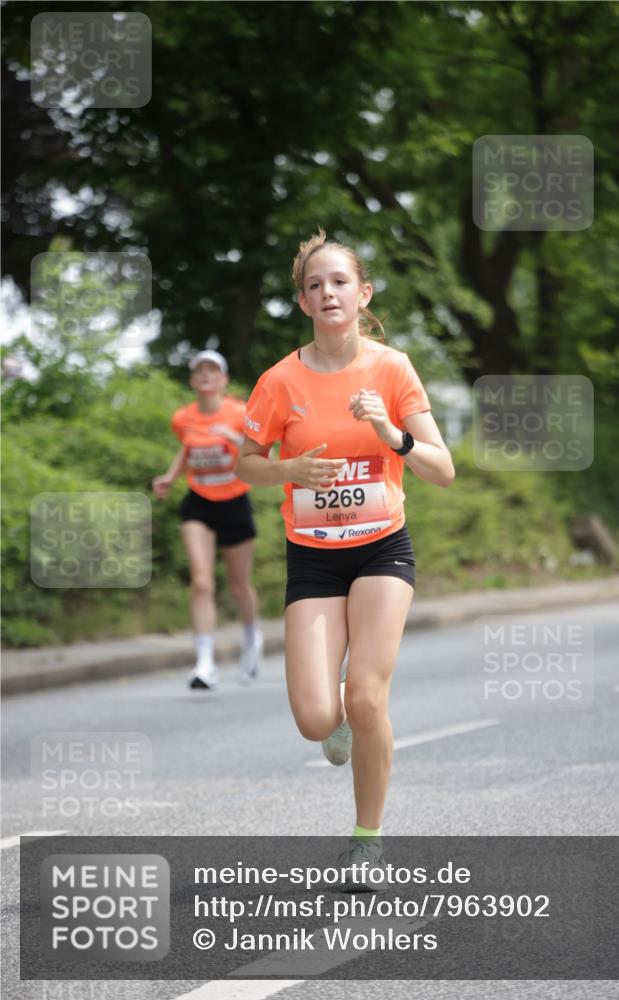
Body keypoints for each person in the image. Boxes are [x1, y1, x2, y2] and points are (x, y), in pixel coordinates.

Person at [235, 229, 455, 888]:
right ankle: (338, 725)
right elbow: (246, 465)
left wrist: (391, 436)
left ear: (362, 294)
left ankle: (367, 841)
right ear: (302, 302)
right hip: (312, 558)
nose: (326, 293)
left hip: (382, 548)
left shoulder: (391, 368)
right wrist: (292, 468)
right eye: (313, 285)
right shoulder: (278, 381)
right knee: (314, 719)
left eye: (338, 282)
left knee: (365, 697)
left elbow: (442, 469)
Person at [152, 349, 264, 690]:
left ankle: (252, 640)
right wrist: (171, 476)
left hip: (234, 502)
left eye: (212, 370)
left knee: (238, 585)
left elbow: (259, 448)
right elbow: (188, 448)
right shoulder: (182, 418)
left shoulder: (241, 413)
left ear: (224, 380)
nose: (205, 375)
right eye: (199, 370)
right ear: (192, 379)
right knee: (201, 582)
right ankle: (204, 663)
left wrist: (233, 439)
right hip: (198, 502)